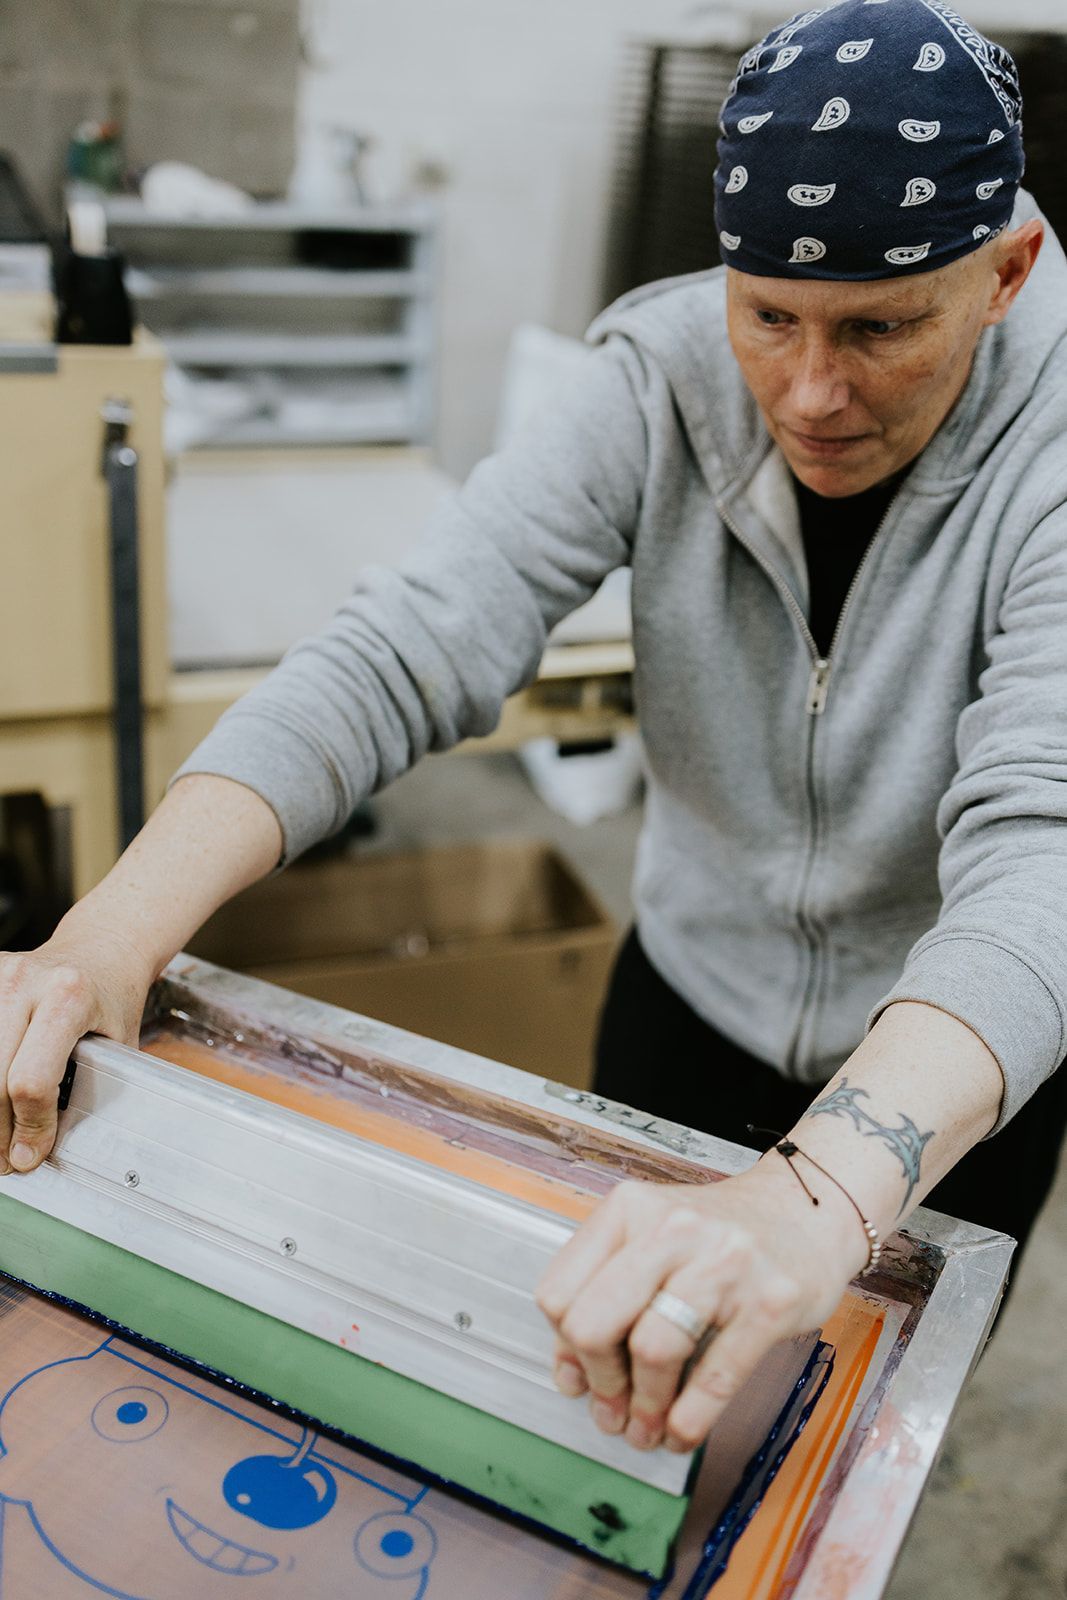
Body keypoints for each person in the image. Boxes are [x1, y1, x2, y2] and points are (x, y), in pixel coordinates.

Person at [2, 0, 1066, 1464]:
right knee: (621, 1420)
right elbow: (403, 646)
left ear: (1004, 273)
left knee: (829, 1461)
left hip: (958, 1085)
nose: (812, 396)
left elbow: (1047, 852)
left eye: (882, 329)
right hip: (690, 996)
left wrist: (820, 1198)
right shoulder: (660, 375)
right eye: (770, 317)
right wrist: (105, 935)